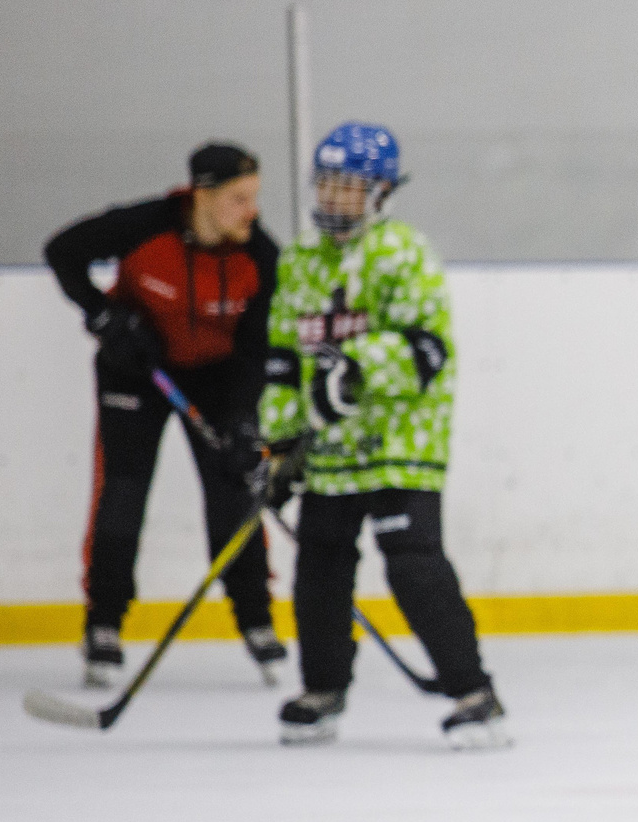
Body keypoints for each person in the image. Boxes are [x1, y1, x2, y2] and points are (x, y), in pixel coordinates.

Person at [259, 122, 509, 750]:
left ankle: (475, 694)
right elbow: (286, 359)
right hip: (331, 449)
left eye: (351, 188)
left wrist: (355, 370)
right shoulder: (300, 261)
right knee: (319, 562)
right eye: (328, 185)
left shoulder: (403, 252)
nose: (336, 199)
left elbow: (426, 347)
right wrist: (279, 445)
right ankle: (322, 691)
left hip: (402, 440)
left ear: (381, 193)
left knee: (414, 566)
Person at [44, 142, 284, 688]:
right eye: (239, 199)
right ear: (202, 195)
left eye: (255, 198)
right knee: (122, 493)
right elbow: (62, 249)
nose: (253, 211)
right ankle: (103, 622)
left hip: (218, 378)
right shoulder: (145, 225)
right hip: (137, 368)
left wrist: (245, 419)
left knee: (233, 492)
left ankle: (255, 619)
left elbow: (255, 351)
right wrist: (105, 317)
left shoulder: (262, 257)